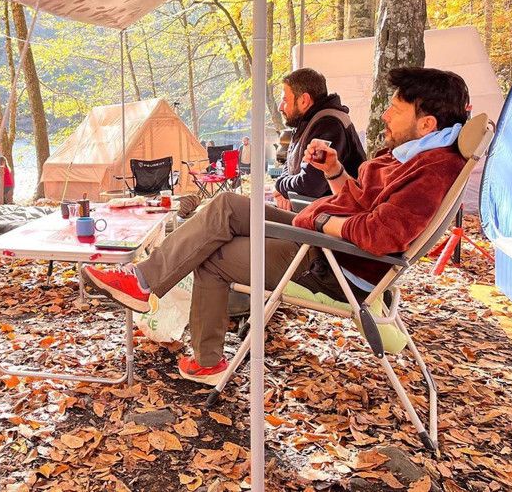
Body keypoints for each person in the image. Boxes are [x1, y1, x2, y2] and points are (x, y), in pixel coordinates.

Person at [83, 67, 470, 385]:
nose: (385, 115)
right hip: (324, 242)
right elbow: (363, 203)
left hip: (331, 264)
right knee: (226, 205)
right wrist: (335, 171)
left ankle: (202, 356)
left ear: (426, 123)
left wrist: (320, 219)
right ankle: (145, 282)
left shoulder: (432, 170)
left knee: (212, 257)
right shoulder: (417, 155)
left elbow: (380, 234)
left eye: (396, 110)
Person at [273, 68, 366, 211]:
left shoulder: (329, 125)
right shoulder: (307, 123)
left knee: (238, 207)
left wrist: (280, 186)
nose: (280, 107)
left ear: (304, 100)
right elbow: (290, 165)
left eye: (285, 100)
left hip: (327, 217)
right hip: (308, 211)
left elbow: (310, 185)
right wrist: (283, 189)